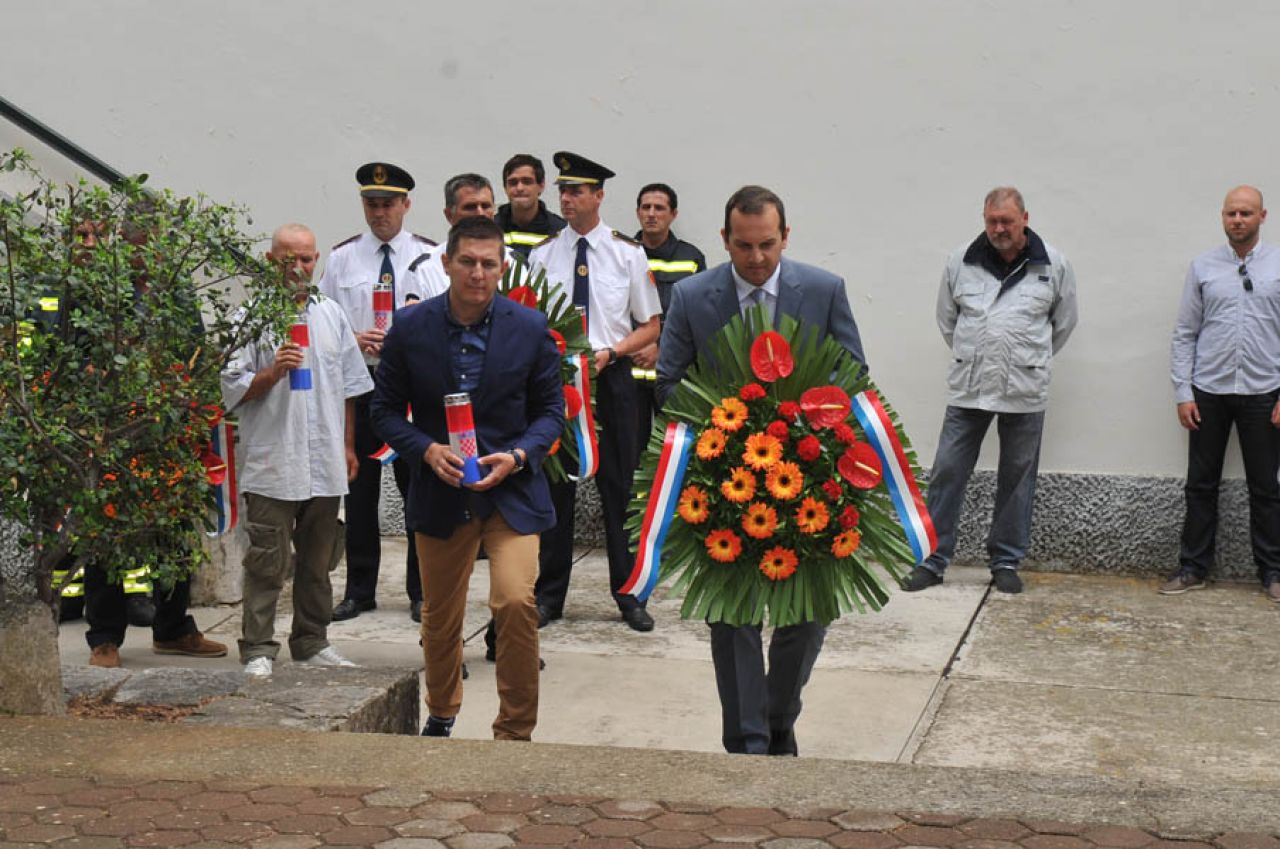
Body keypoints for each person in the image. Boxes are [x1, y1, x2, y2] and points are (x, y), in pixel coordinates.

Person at [656, 185, 864, 756]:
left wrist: (808, 424)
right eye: (744, 246)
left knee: (808, 616)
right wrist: (724, 425)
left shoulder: (823, 291)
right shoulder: (692, 296)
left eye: (767, 244)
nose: (756, 258)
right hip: (724, 481)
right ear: (725, 240)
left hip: (809, 477)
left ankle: (776, 720)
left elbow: (852, 375)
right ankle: (747, 747)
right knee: (733, 621)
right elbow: (669, 383)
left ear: (785, 237)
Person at [370, 216, 564, 740]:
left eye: (488, 264)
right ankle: (441, 711)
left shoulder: (530, 328)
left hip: (512, 493)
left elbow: (552, 412)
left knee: (516, 601)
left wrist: (519, 456)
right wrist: (425, 450)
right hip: (442, 491)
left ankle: (515, 729)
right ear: (447, 263)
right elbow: (383, 411)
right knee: (440, 614)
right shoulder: (411, 327)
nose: (478, 273)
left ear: (502, 268)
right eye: (467, 262)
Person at [900, 187, 1078, 596]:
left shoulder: (1054, 265)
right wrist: (975, 354)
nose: (999, 229)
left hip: (1024, 387)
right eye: (992, 221)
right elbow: (947, 320)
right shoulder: (960, 261)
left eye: (1007, 221)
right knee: (947, 470)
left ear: (1024, 219)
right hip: (970, 386)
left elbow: (1063, 324)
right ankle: (932, 560)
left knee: (1017, 478)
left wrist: (1028, 358)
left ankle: (1005, 562)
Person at [221, 223, 373, 677]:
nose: (299, 268)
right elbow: (230, 388)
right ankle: (257, 647)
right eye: (289, 260)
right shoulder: (249, 318)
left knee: (319, 560)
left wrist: (348, 446)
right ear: (271, 262)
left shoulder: (331, 314)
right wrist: (271, 373)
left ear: (316, 260)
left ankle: (312, 641)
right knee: (267, 561)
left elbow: (350, 387)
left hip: (324, 459)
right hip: (274, 460)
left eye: (307, 259)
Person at [528, 152, 662, 632]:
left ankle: (630, 595)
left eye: (577, 191)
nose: (567, 199)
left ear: (599, 196)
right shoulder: (543, 254)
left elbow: (651, 325)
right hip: (558, 383)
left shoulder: (627, 253)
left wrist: (613, 351)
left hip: (613, 380)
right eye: (563, 191)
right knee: (555, 488)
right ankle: (549, 596)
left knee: (621, 488)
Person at [318, 162, 435, 623]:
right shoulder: (343, 258)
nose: (379, 212)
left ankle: (421, 590)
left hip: (411, 388)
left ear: (406, 205)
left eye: (387, 204)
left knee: (417, 490)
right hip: (362, 385)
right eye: (371, 204)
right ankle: (360, 589)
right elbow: (324, 320)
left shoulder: (430, 256)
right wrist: (353, 337)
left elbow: (441, 321)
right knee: (359, 491)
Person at [1165, 185, 1280, 602]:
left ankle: (1273, 571)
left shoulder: (1278, 265)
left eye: (1246, 213)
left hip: (1263, 390)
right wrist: (1184, 391)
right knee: (1200, 484)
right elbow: (1185, 332)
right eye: (1232, 213)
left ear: (1262, 216)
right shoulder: (1203, 267)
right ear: (1223, 217)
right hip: (1208, 391)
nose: (1238, 220)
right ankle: (1193, 567)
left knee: (1266, 487)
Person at [632, 182, 707, 458]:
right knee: (630, 454)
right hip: (629, 375)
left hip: (673, 377)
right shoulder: (621, 253)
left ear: (673, 214)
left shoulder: (691, 258)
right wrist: (637, 344)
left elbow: (697, 316)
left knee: (674, 454)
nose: (652, 214)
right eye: (646, 207)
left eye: (659, 208)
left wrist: (661, 346)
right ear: (638, 212)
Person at [403, 173, 529, 299]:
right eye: (470, 207)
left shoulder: (516, 263)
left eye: (485, 206)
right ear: (449, 215)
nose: (480, 213)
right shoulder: (424, 270)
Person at [495, 154, 566, 260]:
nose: (519, 188)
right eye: (513, 183)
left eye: (527, 182)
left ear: (541, 185)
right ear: (505, 188)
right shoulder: (491, 228)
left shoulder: (560, 231)